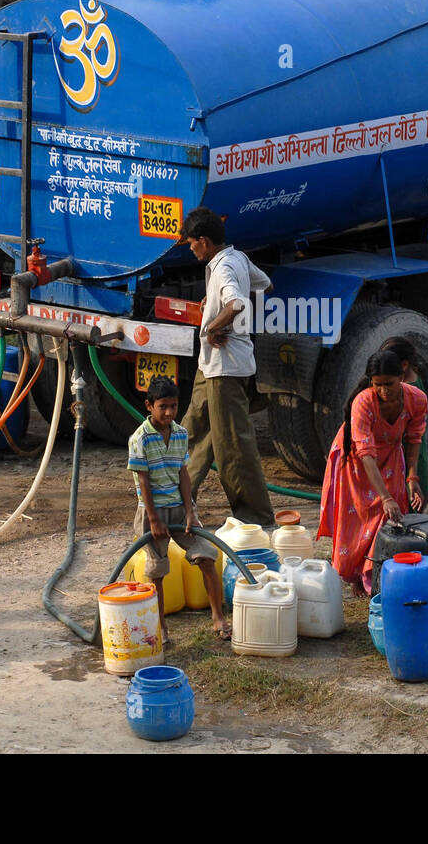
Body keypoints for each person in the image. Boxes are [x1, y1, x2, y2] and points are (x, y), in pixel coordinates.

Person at [178, 207, 275, 530]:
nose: (190, 248)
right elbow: (266, 285)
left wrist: (215, 327)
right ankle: (175, 498)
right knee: (193, 433)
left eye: (192, 243)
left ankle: (254, 517)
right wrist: (212, 303)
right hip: (211, 368)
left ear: (204, 242)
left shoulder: (223, 270)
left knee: (232, 446)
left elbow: (237, 303)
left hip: (226, 369)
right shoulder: (237, 259)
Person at [317, 350, 427, 594]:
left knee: (389, 517)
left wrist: (412, 477)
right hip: (357, 459)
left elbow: (414, 439)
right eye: (378, 385)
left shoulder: (417, 399)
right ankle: (356, 576)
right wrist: (385, 496)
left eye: (389, 384)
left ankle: (376, 573)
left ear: (402, 376)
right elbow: (365, 452)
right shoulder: (364, 402)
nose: (384, 391)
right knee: (359, 515)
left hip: (390, 456)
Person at [128, 375, 228, 643]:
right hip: (153, 512)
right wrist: (153, 519)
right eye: (163, 406)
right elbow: (143, 481)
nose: (170, 412)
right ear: (149, 406)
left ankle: (218, 617)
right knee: (157, 571)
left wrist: (190, 512)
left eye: (174, 405)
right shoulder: (140, 438)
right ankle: (161, 628)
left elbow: (184, 474)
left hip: (180, 508)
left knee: (207, 556)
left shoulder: (181, 433)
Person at [380, 337, 428, 490]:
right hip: (414, 451)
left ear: (404, 365)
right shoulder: (414, 380)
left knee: (409, 496)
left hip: (407, 452)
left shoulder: (406, 390)